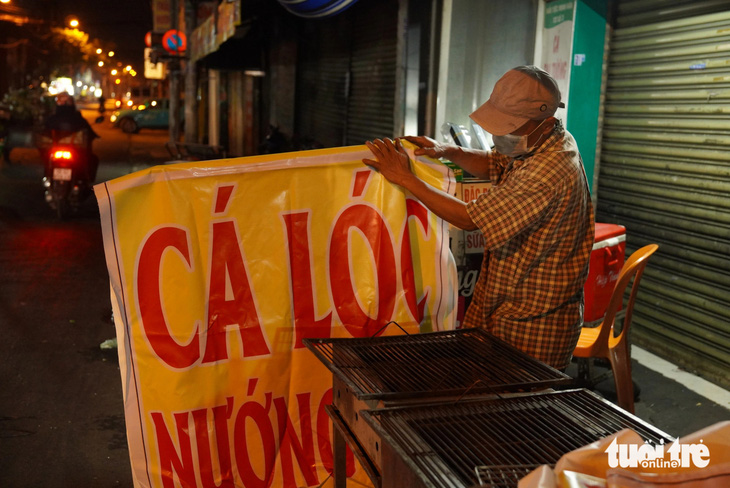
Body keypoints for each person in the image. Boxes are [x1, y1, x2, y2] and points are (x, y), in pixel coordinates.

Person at [362, 65, 595, 370]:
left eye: (511, 126)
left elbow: (469, 218)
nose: (501, 134)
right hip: (502, 306)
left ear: (546, 120)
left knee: (516, 408)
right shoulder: (545, 141)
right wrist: (448, 151)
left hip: (532, 323)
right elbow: (494, 164)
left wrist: (407, 179)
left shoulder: (548, 170)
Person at [42, 91, 100, 181]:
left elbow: (44, 132)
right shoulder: (77, 118)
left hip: (58, 149)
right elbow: (88, 131)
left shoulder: (51, 118)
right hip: (71, 150)